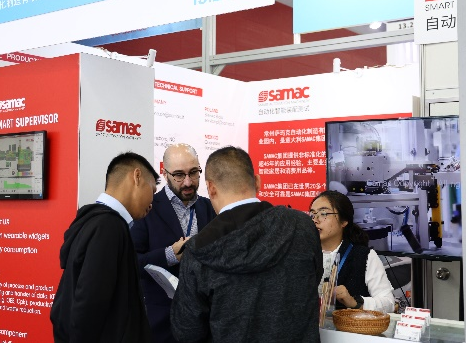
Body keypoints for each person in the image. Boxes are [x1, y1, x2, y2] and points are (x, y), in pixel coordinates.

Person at [171, 146, 322, 343]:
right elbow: (314, 278)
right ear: (257, 181)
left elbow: (187, 331)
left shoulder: (198, 250)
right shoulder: (301, 225)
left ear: (211, 188)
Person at [50, 152, 159, 343]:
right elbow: (89, 302)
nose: (152, 202)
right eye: (152, 190)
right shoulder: (109, 226)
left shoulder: (92, 221)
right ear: (137, 177)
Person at [131, 144, 216, 343]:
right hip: (160, 322)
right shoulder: (147, 208)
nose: (188, 182)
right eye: (178, 175)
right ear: (164, 173)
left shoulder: (210, 207)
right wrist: (168, 255)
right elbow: (129, 262)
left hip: (204, 320)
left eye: (193, 173)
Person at [309, 190, 395, 313]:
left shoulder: (364, 256)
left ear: (344, 221)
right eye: (312, 214)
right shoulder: (302, 255)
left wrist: (354, 302)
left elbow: (389, 303)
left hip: (346, 325)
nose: (315, 220)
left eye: (323, 213)